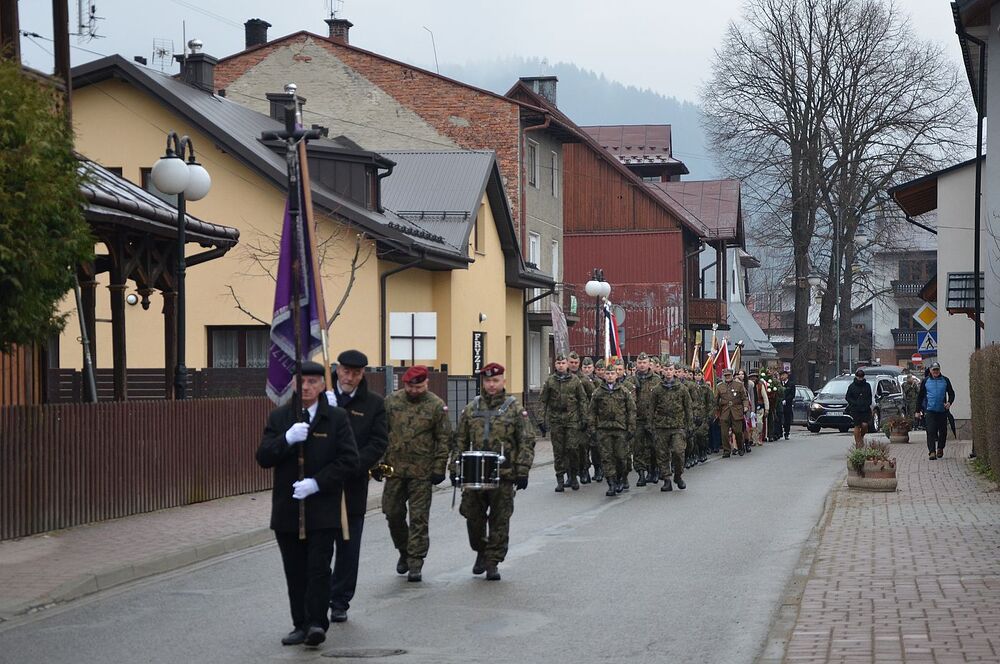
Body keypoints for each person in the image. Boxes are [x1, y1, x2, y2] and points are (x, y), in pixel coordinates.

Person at [256, 361, 359, 647]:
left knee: (318, 569)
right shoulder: (280, 418)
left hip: (322, 509)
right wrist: (286, 439)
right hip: (288, 511)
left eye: (312, 382)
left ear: (323, 385)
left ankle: (316, 623)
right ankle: (299, 624)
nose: (305, 387)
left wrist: (317, 482)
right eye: (300, 381)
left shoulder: (335, 418)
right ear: (292, 384)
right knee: (295, 570)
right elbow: (263, 457)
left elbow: (349, 461)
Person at [453, 362, 535, 580]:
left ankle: (492, 562)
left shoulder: (514, 408)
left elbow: (526, 439)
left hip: (504, 474)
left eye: (495, 380)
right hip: (474, 474)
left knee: (500, 519)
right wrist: (455, 468)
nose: (491, 385)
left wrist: (523, 469)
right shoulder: (472, 408)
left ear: (503, 381)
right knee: (473, 517)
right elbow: (460, 440)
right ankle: (481, 549)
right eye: (488, 381)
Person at [326, 350, 388, 624]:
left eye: (356, 373)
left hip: (351, 487)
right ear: (337, 370)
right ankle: (320, 594)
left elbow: (378, 442)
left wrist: (351, 465)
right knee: (317, 548)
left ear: (363, 374)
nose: (350, 377)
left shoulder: (373, 404)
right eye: (346, 371)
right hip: (321, 487)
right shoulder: (319, 397)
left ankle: (340, 600)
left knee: (348, 549)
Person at [381, 365, 452, 582]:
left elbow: (443, 438)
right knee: (392, 513)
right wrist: (377, 464)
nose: (414, 390)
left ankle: (415, 561)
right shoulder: (391, 402)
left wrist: (440, 467)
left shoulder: (436, 405)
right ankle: (403, 550)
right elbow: (380, 434)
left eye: (419, 386)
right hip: (394, 470)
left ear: (426, 384)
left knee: (419, 518)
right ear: (404, 384)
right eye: (411, 386)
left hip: (422, 472)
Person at [539, 353, 588, 492]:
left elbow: (582, 400)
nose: (561, 366)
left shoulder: (575, 380)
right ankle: (560, 478)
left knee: (572, 449)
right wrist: (541, 420)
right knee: (559, 451)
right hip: (556, 419)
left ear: (567, 364)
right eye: (558, 363)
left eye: (563, 363)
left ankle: (573, 476)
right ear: (555, 365)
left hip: (572, 419)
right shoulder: (550, 381)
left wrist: (584, 419)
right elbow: (543, 401)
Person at [590, 361, 636, 496]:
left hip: (620, 429)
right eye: (608, 373)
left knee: (621, 457)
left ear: (617, 375)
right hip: (604, 429)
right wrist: (592, 429)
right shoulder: (598, 392)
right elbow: (592, 412)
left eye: (612, 373)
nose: (610, 376)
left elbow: (631, 410)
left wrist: (631, 428)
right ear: (604, 375)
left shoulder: (624, 391)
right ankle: (611, 483)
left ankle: (622, 477)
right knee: (606, 457)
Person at [652, 363, 693, 491]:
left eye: (670, 370)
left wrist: (689, 426)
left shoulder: (681, 388)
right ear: (663, 372)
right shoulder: (657, 389)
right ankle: (667, 479)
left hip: (678, 425)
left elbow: (688, 408)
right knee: (662, 454)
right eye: (666, 370)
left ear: (674, 372)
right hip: (661, 426)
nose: (668, 372)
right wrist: (651, 426)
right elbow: (651, 408)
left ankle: (678, 476)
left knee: (678, 452)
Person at [626, 352, 661, 486]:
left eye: (644, 363)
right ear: (636, 364)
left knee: (653, 446)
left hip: (652, 419)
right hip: (637, 419)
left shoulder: (656, 380)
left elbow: (661, 400)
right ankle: (641, 474)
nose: (642, 365)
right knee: (638, 448)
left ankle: (654, 470)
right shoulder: (630, 380)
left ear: (648, 364)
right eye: (639, 363)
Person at [916, 361, 955, 460]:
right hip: (930, 410)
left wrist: (949, 402)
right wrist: (917, 410)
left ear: (939, 370)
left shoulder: (945, 380)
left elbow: (951, 393)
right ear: (930, 370)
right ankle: (932, 452)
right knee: (931, 431)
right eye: (934, 370)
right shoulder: (926, 381)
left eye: (937, 369)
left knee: (943, 431)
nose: (936, 371)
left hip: (942, 411)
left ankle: (940, 448)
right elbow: (920, 396)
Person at [714, 367, 750, 457]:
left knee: (738, 432)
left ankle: (741, 447)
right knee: (724, 433)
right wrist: (716, 411)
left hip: (736, 411)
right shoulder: (720, 386)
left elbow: (744, 398)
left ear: (732, 375)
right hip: (724, 412)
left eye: (729, 375)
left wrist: (745, 407)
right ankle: (726, 451)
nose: (727, 377)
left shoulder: (739, 385)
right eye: (725, 375)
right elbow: (715, 400)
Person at [573, 354, 597, 483]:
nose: (586, 369)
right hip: (571, 417)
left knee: (585, 446)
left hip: (586, 417)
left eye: (589, 367)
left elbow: (593, 398)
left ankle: (585, 470)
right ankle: (572, 474)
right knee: (572, 448)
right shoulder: (570, 378)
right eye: (585, 367)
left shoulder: (586, 381)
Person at [845, 368, 873, 447]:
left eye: (862, 377)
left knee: (865, 425)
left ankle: (861, 436)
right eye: (859, 377)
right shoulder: (852, 386)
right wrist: (854, 403)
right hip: (855, 409)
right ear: (856, 376)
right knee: (857, 425)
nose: (860, 378)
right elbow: (847, 397)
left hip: (865, 409)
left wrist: (868, 403)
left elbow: (870, 396)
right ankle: (858, 443)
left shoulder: (867, 385)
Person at [691, 366, 713, 464]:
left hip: (704, 415)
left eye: (699, 375)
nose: (697, 377)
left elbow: (710, 403)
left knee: (702, 435)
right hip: (694, 415)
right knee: (694, 436)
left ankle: (703, 452)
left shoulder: (706, 388)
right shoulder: (691, 387)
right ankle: (696, 454)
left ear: (702, 376)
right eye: (695, 375)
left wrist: (709, 416)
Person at [778, 370, 795, 440]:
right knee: (779, 418)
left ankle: (787, 433)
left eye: (783, 375)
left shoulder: (791, 384)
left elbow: (792, 394)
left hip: (787, 405)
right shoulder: (779, 384)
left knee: (787, 419)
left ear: (786, 375)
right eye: (781, 375)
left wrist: (786, 400)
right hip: (780, 404)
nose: (782, 377)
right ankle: (779, 432)